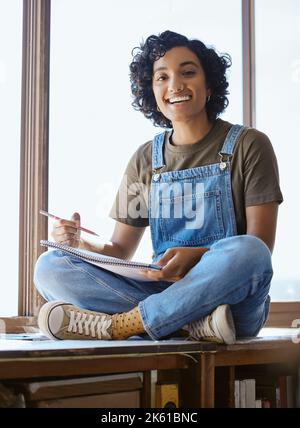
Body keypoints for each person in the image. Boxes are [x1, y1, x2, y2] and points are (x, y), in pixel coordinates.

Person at [34, 30, 283, 344]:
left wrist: (197, 256)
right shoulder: (145, 159)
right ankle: (187, 324)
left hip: (231, 303)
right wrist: (78, 242)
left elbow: (261, 245)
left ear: (209, 85)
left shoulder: (249, 144)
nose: (175, 85)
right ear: (151, 92)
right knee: (50, 267)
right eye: (161, 77)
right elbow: (119, 251)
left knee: (250, 252)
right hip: (169, 295)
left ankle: (124, 324)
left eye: (188, 72)